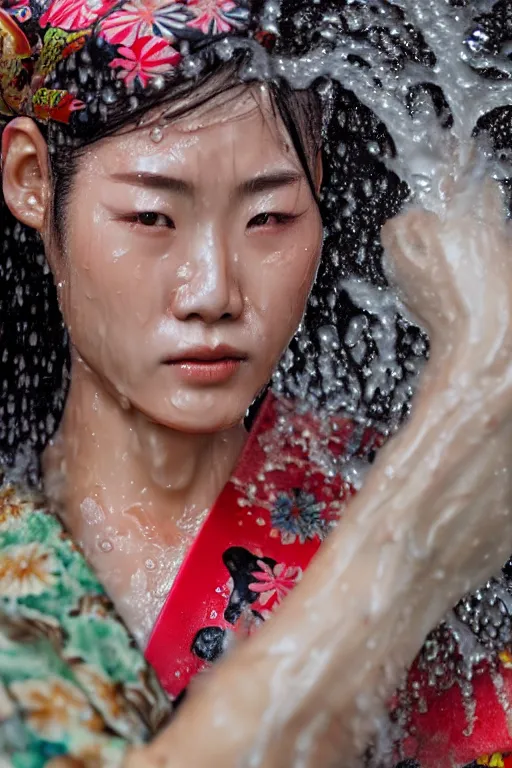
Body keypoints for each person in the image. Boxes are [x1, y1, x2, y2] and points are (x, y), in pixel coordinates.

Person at [1, 0, 512, 766]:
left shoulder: (411, 489)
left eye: (270, 217)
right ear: (33, 179)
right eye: (151, 217)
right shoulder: (434, 496)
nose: (213, 292)